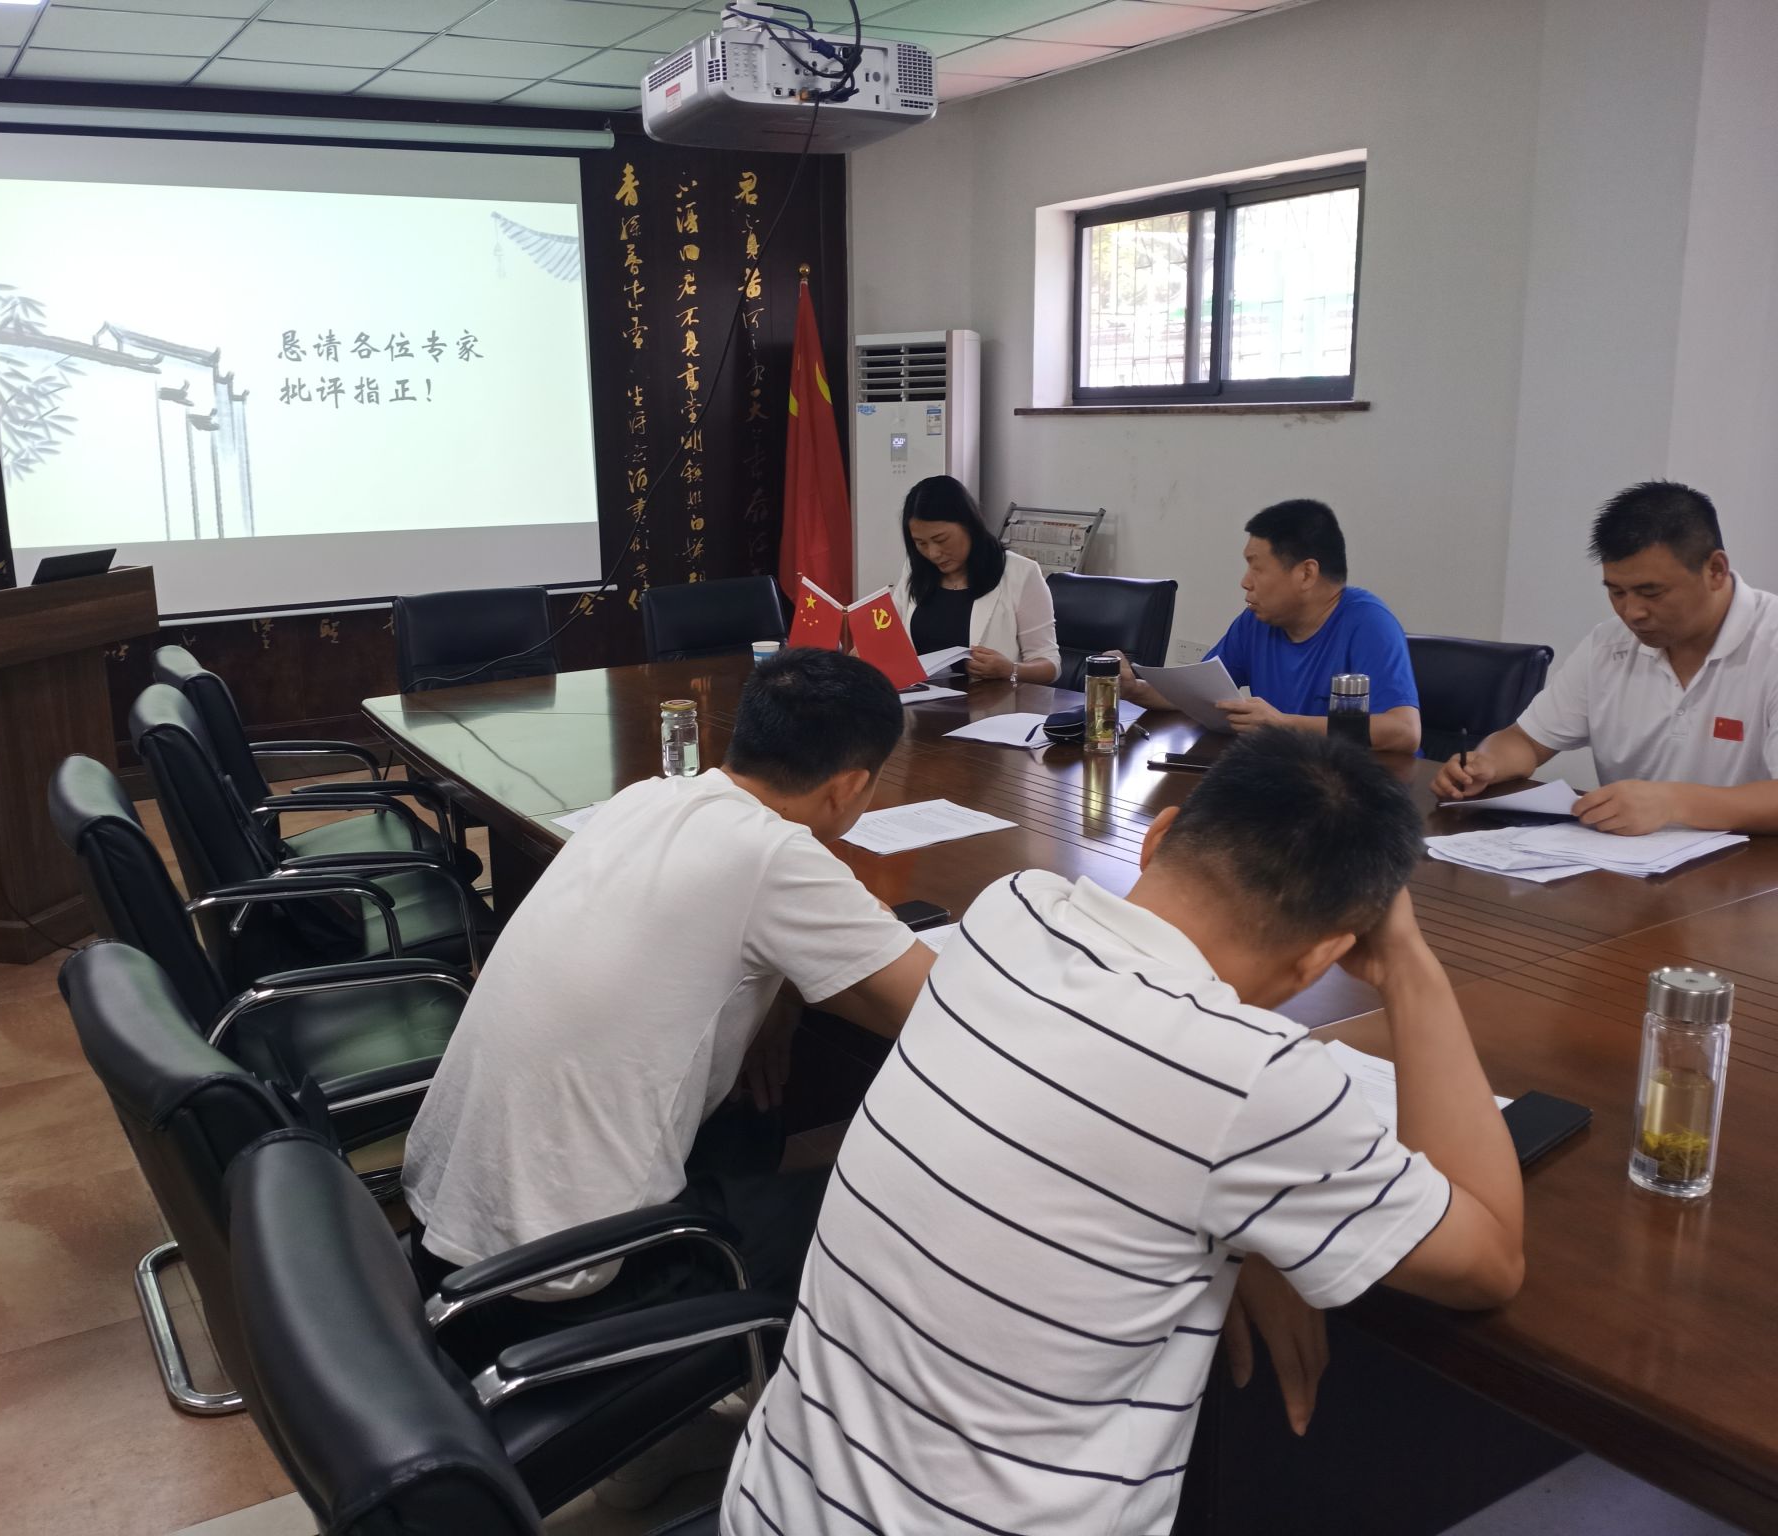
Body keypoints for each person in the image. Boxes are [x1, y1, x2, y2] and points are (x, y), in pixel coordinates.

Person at [723, 729, 1524, 1536]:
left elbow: (1109, 1121)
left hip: (771, 1506)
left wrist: (1248, 1222)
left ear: (1159, 833)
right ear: (1326, 958)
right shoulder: (1250, 1082)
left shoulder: (1013, 910)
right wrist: (1408, 964)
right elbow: (1489, 1260)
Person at [401, 648, 935, 1333]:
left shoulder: (646, 798)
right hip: (556, 1287)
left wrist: (785, 996)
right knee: (879, 1216)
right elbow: (940, 1006)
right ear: (850, 785)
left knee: (753, 1113)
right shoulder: (774, 855)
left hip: (443, 1235)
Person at [1433, 481, 1777, 835]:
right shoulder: (1608, 645)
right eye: (1617, 592)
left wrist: (1672, 803)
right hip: (1627, 859)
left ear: (1715, 570)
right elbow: (1526, 741)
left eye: (1651, 592)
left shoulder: (1770, 644)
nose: (1632, 612)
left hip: (1753, 864)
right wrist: (1487, 763)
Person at [1118, 499, 1422, 752]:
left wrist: (1283, 724)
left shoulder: (1368, 623)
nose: (1245, 581)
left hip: (1355, 789)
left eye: (1257, 567)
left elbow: (1404, 731)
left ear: (1306, 574)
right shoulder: (1256, 622)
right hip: (1283, 774)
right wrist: (1134, 689)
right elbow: (1199, 696)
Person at [890, 475, 1060, 683]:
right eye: (921, 543)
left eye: (941, 540)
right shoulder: (915, 569)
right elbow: (890, 635)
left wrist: (1010, 670)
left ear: (968, 525)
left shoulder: (1020, 573)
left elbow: (1050, 665)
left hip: (991, 701)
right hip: (919, 699)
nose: (933, 553)